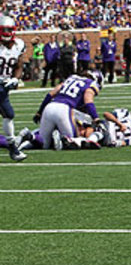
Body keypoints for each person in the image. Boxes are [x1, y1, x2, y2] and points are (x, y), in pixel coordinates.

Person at [19, 69, 104, 153]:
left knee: (44, 144)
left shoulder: (71, 78)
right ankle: (59, 136)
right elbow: (88, 100)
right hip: (64, 109)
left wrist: (39, 112)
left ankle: (30, 136)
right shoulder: (91, 84)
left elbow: (51, 94)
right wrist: (96, 118)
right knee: (72, 140)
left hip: (49, 107)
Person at [0, 16, 27, 161]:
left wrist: (16, 78)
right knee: (8, 114)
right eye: (3, 30)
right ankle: (13, 148)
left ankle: (12, 148)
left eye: (9, 30)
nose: (6, 32)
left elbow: (19, 66)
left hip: (4, 85)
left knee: (8, 115)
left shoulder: (19, 45)